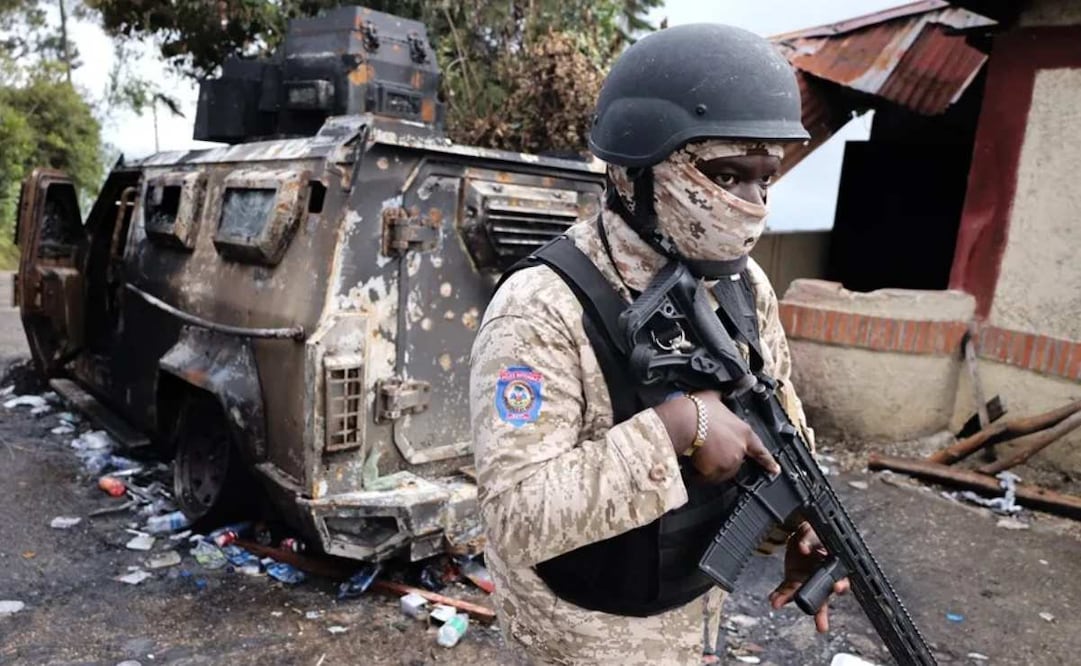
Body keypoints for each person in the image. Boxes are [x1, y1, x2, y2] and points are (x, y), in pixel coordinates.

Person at [468, 22, 848, 665]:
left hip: (694, 613)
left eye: (766, 179)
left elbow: (780, 422)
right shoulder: (541, 307)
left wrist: (802, 517)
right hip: (579, 634)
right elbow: (516, 517)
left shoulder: (744, 285)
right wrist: (680, 425)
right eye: (726, 176)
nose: (753, 204)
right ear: (637, 171)